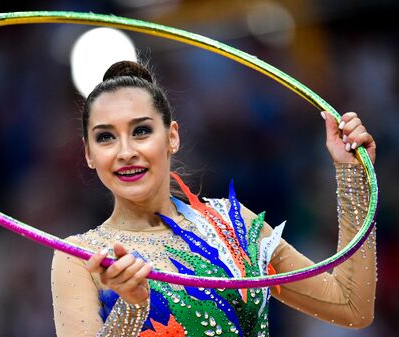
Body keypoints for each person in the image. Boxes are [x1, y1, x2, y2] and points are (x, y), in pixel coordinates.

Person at [51, 60, 377, 337]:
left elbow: (351, 306)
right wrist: (132, 309)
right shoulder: (80, 259)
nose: (126, 152)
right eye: (106, 137)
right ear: (89, 154)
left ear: (172, 137)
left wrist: (353, 177)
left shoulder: (233, 226)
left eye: (141, 131)